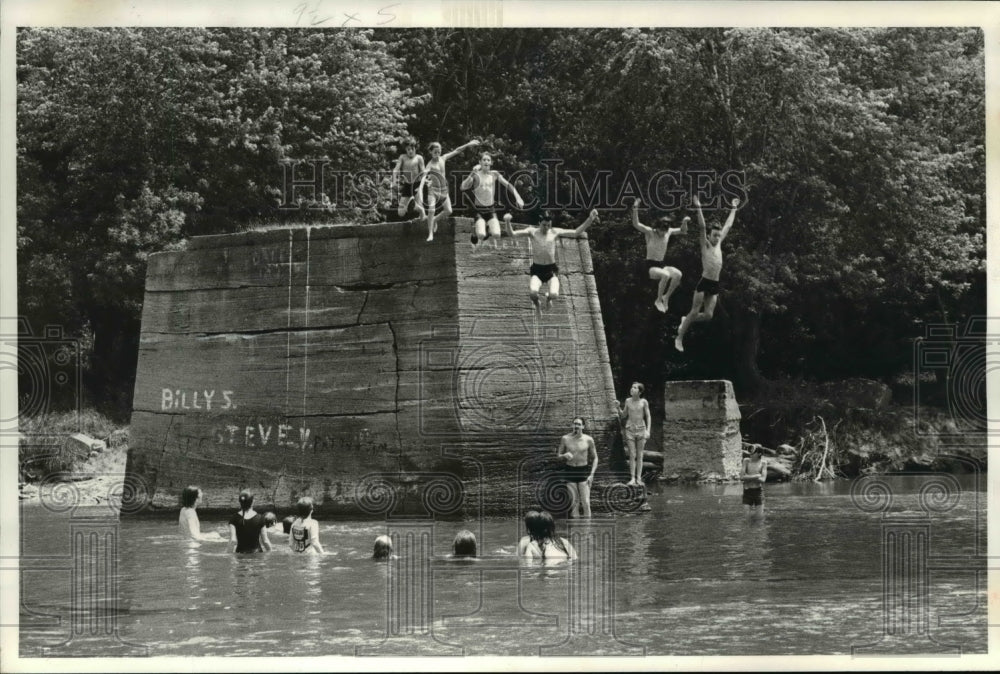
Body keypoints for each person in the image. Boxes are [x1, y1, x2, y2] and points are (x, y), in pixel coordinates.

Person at [675, 195, 740, 352]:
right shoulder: (705, 246)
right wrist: (698, 207)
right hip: (704, 282)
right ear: (709, 236)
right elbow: (702, 227)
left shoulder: (718, 245)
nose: (717, 237)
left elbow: (728, 226)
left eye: (718, 235)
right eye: (714, 235)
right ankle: (679, 338)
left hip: (715, 283)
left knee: (708, 316)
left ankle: (686, 320)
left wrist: (734, 208)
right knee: (695, 310)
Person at [505, 208, 600, 314]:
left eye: (548, 225)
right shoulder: (532, 232)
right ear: (539, 223)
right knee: (533, 293)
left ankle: (548, 299)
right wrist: (507, 221)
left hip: (551, 270)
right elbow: (512, 234)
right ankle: (537, 304)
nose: (546, 228)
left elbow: (576, 232)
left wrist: (590, 219)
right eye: (544, 225)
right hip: (537, 269)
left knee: (554, 294)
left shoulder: (554, 232)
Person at [631, 198, 689, 312]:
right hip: (649, 267)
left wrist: (685, 221)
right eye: (661, 231)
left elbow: (683, 231)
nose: (663, 234)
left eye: (664, 231)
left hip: (661, 264)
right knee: (666, 275)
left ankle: (665, 297)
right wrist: (635, 208)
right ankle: (658, 300)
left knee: (678, 274)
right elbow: (636, 224)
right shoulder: (650, 232)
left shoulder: (668, 232)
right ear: (657, 228)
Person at [417, 138, 480, 242]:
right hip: (433, 190)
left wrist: (468, 144)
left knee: (449, 210)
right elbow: (424, 177)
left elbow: (457, 150)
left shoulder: (443, 158)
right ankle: (430, 234)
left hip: (443, 190)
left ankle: (434, 220)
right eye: (435, 152)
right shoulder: (430, 164)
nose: (437, 154)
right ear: (430, 152)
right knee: (431, 210)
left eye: (439, 152)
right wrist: (420, 189)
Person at [460, 151, 525, 250]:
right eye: (484, 160)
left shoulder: (494, 174)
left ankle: (485, 227)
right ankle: (476, 231)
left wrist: (518, 197)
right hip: (478, 209)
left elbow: (508, 185)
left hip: (491, 209)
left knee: (496, 234)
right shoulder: (476, 175)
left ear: (491, 163)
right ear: (480, 162)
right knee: (481, 235)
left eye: (488, 160)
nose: (486, 162)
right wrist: (472, 173)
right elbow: (462, 187)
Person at [556, 417, 598, 519]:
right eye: (575, 424)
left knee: (586, 503)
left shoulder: (588, 439)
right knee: (574, 504)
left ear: (583, 426)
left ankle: (587, 530)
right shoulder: (565, 438)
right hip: (570, 470)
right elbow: (558, 456)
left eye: (579, 424)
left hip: (583, 471)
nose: (576, 426)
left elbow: (596, 458)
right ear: (572, 425)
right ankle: (577, 530)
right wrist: (564, 455)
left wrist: (591, 475)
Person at [619, 382, 652, 486]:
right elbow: (623, 415)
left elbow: (648, 416)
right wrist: (617, 407)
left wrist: (648, 431)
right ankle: (632, 478)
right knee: (632, 454)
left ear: (640, 391)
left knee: (640, 455)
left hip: (641, 429)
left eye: (634, 388)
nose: (632, 389)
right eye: (631, 387)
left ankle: (639, 478)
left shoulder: (644, 402)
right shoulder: (628, 401)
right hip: (630, 429)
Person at [391, 138, 426, 219]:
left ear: (415, 148)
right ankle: (412, 203)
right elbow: (396, 170)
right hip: (407, 186)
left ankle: (418, 207)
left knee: (420, 212)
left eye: (412, 149)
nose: (410, 151)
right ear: (405, 150)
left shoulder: (419, 158)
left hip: (417, 185)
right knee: (400, 213)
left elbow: (424, 173)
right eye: (408, 149)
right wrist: (394, 182)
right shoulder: (402, 157)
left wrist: (421, 186)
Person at [228, 489, 272, 554]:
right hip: (257, 556)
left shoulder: (234, 518)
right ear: (253, 502)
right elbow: (265, 541)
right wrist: (270, 553)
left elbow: (233, 540)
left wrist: (228, 555)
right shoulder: (260, 518)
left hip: (241, 555)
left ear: (240, 502)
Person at [741, 445, 768, 511]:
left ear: (759, 453)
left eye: (753, 452)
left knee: (759, 519)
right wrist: (756, 476)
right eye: (750, 451)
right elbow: (741, 477)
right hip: (747, 492)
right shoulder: (746, 461)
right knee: (747, 518)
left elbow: (763, 480)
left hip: (758, 492)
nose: (750, 453)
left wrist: (747, 477)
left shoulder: (763, 463)